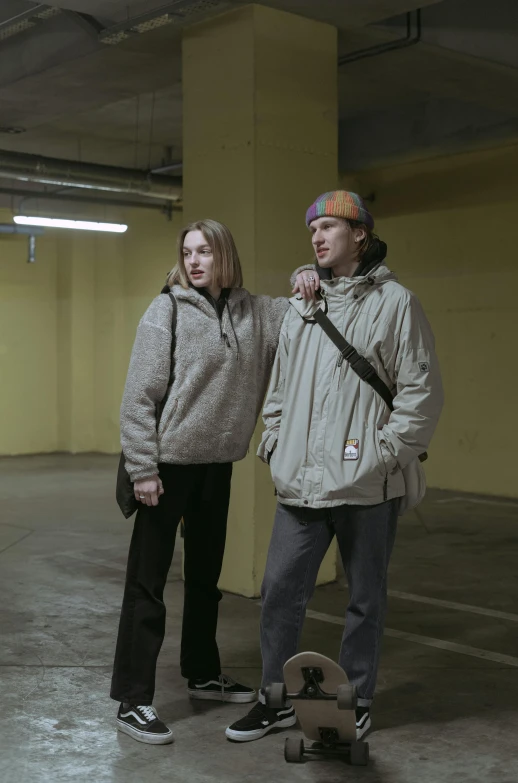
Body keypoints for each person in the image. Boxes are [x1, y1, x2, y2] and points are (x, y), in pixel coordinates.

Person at [226, 190, 444, 743]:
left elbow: (421, 393)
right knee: (279, 592)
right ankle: (274, 699)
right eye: (313, 231)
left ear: (360, 234)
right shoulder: (303, 306)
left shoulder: (397, 303)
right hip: (300, 482)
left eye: (328, 227)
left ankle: (358, 701)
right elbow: (278, 389)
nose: (318, 237)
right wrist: (275, 440)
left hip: (369, 485)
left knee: (365, 600)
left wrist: (385, 454)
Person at [110, 218, 318, 745]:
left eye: (204, 251)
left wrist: (306, 273)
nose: (195, 261)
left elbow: (297, 300)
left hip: (216, 467)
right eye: (187, 252)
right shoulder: (167, 312)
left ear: (224, 255)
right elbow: (138, 398)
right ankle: (133, 700)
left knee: (205, 580)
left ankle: (202, 673)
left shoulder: (256, 313)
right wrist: (143, 470)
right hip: (165, 468)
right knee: (148, 587)